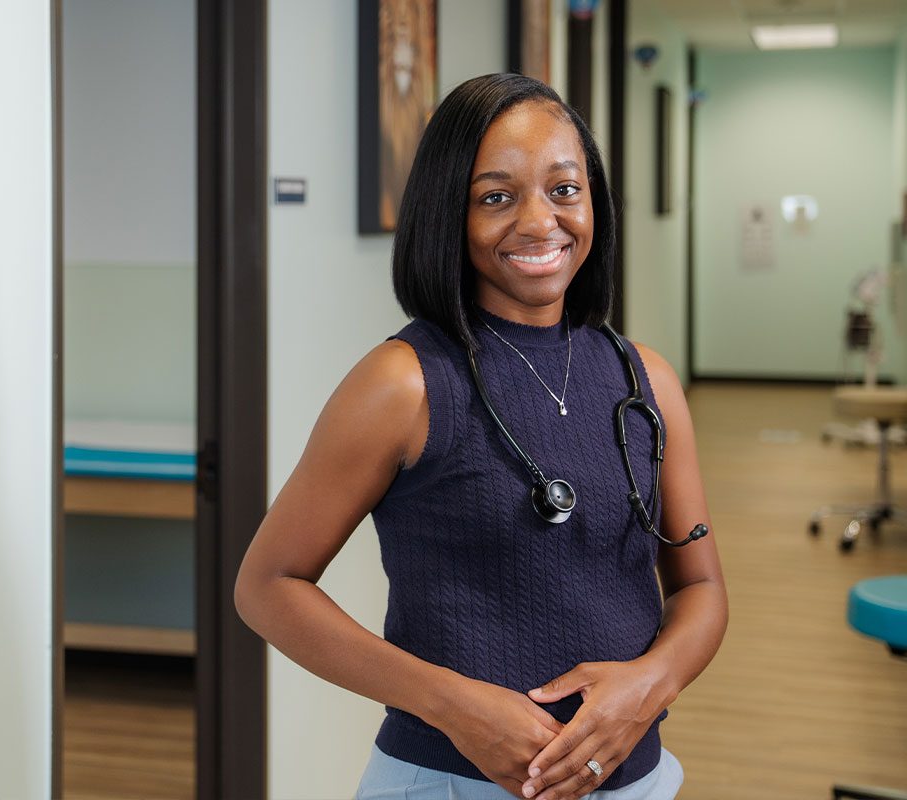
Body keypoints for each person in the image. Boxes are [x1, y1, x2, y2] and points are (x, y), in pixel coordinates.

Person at [234, 73, 727, 800]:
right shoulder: (403, 383)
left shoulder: (646, 382)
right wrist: (451, 705)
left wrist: (650, 684)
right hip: (448, 783)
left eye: (565, 189)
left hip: (633, 780)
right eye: (496, 197)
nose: (539, 221)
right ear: (448, 215)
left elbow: (703, 587)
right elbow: (268, 587)